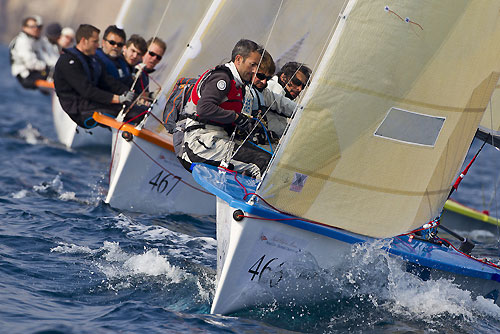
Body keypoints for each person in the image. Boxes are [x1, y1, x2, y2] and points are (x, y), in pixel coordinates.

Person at [176, 39, 271, 178]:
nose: (255, 70)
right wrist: (236, 117)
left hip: (217, 138)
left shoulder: (239, 85)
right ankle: (256, 199)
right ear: (238, 59)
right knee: (262, 162)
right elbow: (204, 108)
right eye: (253, 65)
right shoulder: (222, 78)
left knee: (268, 156)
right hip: (200, 143)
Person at [53, 24, 142, 128]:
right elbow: (87, 91)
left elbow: (108, 81)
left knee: (139, 110)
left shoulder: (93, 60)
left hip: (92, 103)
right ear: (84, 41)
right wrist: (118, 99)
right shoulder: (68, 61)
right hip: (79, 110)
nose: (97, 45)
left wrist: (132, 96)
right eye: (95, 41)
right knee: (136, 114)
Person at [243, 50, 297, 145]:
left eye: (267, 79)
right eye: (260, 76)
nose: (264, 82)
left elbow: (281, 103)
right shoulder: (244, 91)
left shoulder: (262, 92)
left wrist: (305, 112)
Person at [9, 15, 59, 89]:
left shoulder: (34, 40)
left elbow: (46, 57)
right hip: (26, 76)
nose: (35, 29)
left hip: (34, 72)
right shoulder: (22, 41)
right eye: (32, 27)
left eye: (37, 26)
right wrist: (45, 67)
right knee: (58, 76)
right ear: (24, 27)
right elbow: (30, 63)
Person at [265, 61, 311, 138]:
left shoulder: (283, 94)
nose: (299, 89)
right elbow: (274, 126)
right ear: (283, 77)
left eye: (303, 86)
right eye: (297, 82)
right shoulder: (272, 87)